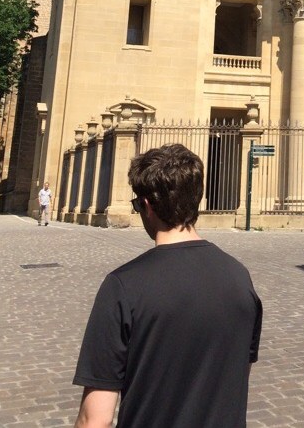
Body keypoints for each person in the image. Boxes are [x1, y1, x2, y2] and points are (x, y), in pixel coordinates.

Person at [73, 144, 263, 428]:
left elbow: (94, 420)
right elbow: (234, 379)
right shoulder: (240, 277)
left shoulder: (123, 286)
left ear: (147, 206)